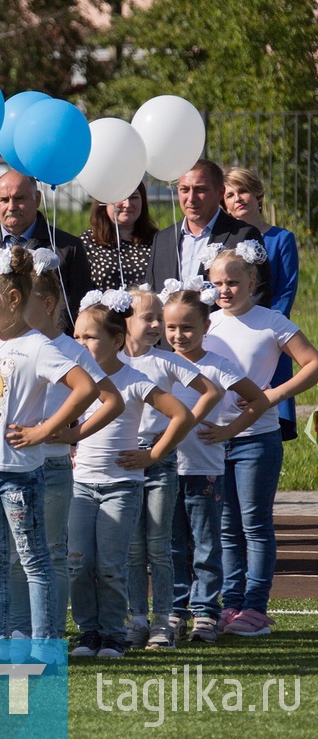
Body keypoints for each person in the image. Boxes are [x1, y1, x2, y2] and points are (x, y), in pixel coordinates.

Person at [0, 246, 99, 654]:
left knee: (34, 560)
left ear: (12, 298)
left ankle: (45, 645)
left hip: (19, 473)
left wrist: (45, 430)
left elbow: (87, 388)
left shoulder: (40, 347)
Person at [65, 290, 193, 659]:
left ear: (117, 340)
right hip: (81, 486)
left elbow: (181, 416)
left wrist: (152, 454)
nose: (80, 343)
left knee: (110, 566)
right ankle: (88, 633)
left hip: (122, 487)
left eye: (89, 337)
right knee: (78, 564)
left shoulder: (135, 379)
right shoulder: (72, 379)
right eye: (77, 337)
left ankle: (113, 635)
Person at [202, 245, 318, 636]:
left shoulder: (271, 321)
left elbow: (313, 363)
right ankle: (230, 604)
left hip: (257, 437)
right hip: (212, 439)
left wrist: (271, 395)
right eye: (217, 283)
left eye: (233, 282)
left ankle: (255, 606)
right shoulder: (207, 322)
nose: (225, 290)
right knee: (226, 526)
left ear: (253, 282)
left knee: (255, 523)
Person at [10, 253, 124, 639]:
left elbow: (112, 400)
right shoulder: (9, 344)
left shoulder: (70, 350)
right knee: (13, 555)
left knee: (51, 553)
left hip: (52, 466)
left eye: (19, 301)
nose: (13, 309)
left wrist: (71, 433)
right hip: (9, 466)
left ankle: (51, 634)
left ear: (46, 303)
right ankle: (18, 636)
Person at [161, 285, 268, 644]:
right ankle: (174, 610)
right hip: (163, 471)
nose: (179, 335)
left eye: (188, 327)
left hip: (204, 469)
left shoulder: (217, 366)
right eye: (171, 327)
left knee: (206, 545)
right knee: (172, 545)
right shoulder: (157, 363)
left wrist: (228, 431)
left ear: (207, 326)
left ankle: (205, 612)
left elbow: (257, 399)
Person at [119, 286, 222, 651]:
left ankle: (162, 622)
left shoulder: (164, 360)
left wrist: (172, 436)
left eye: (157, 319)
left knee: (160, 548)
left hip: (159, 462)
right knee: (132, 550)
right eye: (146, 317)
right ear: (124, 320)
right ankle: (135, 621)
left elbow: (213, 391)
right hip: (123, 463)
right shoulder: (110, 360)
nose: (155, 325)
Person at [0, 171, 93, 325]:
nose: (11, 207)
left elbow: (79, 312)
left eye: (19, 198)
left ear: (37, 199)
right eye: (4, 200)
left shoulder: (68, 248)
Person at [223, 166, 300, 440]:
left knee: (269, 427)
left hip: (268, 336)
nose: (238, 198)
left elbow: (285, 292)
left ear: (258, 195)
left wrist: (259, 329)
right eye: (230, 195)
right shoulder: (226, 242)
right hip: (230, 339)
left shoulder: (281, 239)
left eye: (243, 190)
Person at [146, 159, 270, 307]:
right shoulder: (163, 239)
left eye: (200, 190)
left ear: (220, 193)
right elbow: (152, 295)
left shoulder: (242, 236)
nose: (191, 199)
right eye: (184, 189)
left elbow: (258, 294)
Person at [79, 183, 158, 291]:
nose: (127, 204)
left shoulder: (157, 240)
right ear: (103, 202)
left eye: (134, 197)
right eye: (120, 197)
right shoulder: (85, 243)